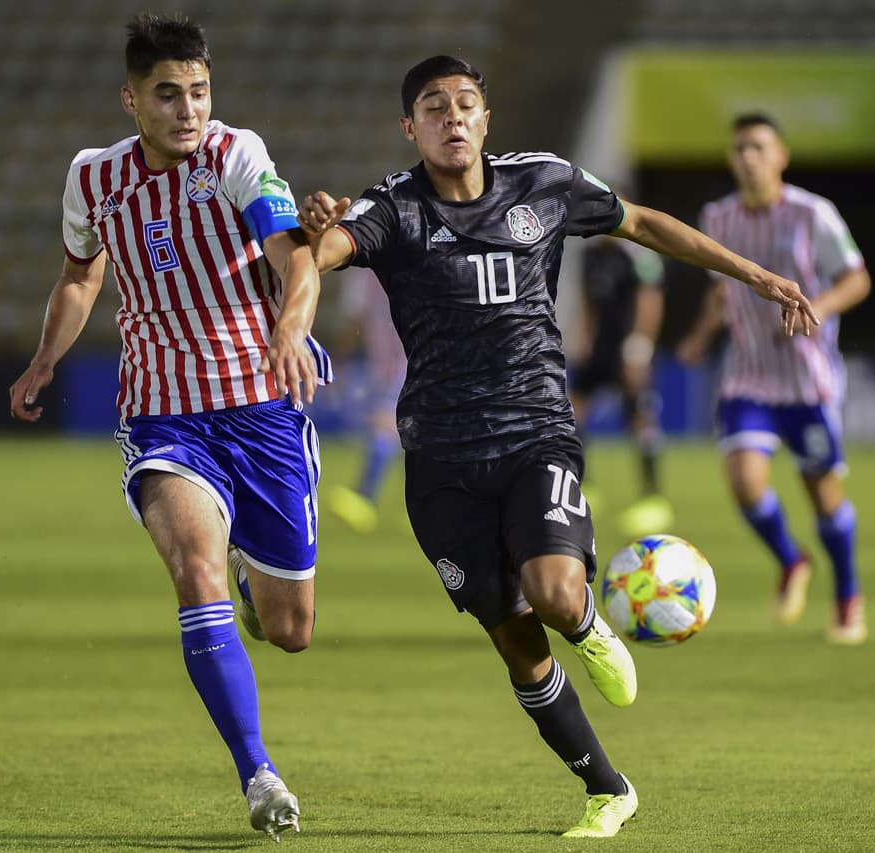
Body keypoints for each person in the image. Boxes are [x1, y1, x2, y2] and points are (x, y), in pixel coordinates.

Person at [296, 56, 817, 838]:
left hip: (535, 428)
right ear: (411, 127)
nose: (452, 117)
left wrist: (755, 274)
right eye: (433, 108)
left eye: (465, 103)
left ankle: (590, 625)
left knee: (555, 593)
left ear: (486, 117)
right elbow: (322, 249)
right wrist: (305, 270)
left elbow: (641, 222)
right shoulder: (394, 208)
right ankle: (608, 789)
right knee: (514, 641)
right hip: (438, 458)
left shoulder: (543, 180)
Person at [8, 14, 332, 839]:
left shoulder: (237, 156)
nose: (188, 109)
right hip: (163, 412)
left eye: (199, 92)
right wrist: (46, 358)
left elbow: (293, 254)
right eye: (167, 94)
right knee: (194, 566)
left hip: (262, 407)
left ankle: (259, 590)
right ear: (131, 99)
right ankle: (258, 771)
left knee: (292, 630)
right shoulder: (94, 178)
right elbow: (81, 275)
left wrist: (290, 328)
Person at [677, 112, 872, 645]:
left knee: (822, 495)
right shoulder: (717, 217)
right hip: (748, 378)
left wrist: (821, 309)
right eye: (740, 148)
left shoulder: (814, 214)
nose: (748, 157)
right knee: (743, 482)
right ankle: (791, 560)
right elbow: (721, 289)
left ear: (781, 155)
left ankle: (847, 599)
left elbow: (857, 279)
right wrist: (699, 335)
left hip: (807, 382)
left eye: (759, 147)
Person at [568, 235, 672, 538]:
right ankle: (584, 486)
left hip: (628, 351)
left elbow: (651, 303)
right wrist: (583, 338)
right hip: (598, 349)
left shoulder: (639, 257)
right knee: (572, 412)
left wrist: (639, 348)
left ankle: (653, 498)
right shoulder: (589, 255)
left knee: (640, 419)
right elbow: (588, 301)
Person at [323, 266, 406, 533]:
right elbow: (354, 319)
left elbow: (353, 319)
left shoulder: (364, 269)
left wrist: (341, 360)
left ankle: (364, 496)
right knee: (400, 428)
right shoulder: (362, 270)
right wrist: (341, 362)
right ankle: (429, 501)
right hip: (384, 365)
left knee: (385, 423)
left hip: (412, 362)